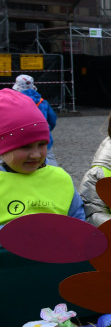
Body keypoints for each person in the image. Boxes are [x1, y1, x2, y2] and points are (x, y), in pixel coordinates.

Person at [0, 89, 83, 226]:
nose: (36, 155)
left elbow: (79, 224)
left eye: (42, 144)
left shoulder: (61, 180)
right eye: (25, 146)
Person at [12, 75, 57, 153]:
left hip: (19, 140)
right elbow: (52, 120)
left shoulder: (12, 102)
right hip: (43, 139)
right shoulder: (43, 102)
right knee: (48, 159)